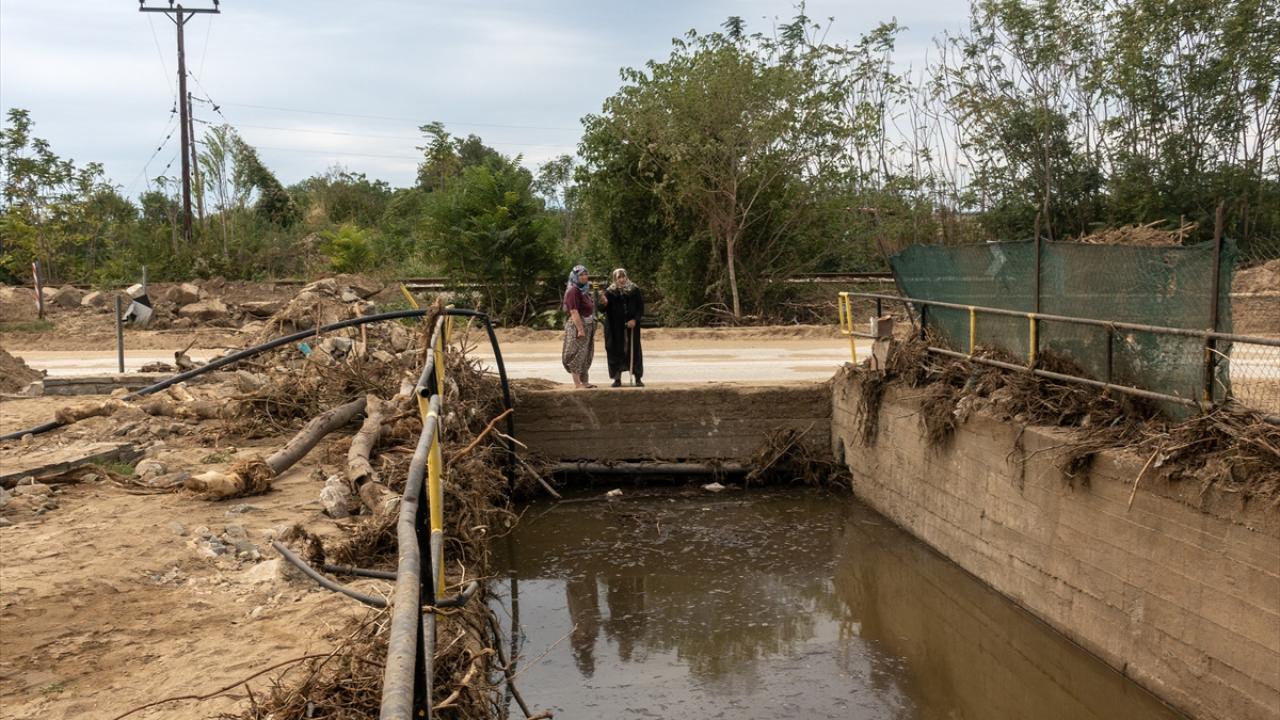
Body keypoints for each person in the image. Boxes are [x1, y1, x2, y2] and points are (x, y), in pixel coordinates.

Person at [600, 268, 644, 387]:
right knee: (614, 349)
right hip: (615, 328)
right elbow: (601, 309)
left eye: (623, 276)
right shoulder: (609, 292)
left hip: (632, 327)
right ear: (615, 279)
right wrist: (603, 303)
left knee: (634, 350)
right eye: (619, 277)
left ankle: (638, 377)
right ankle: (617, 378)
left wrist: (635, 319)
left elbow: (640, 308)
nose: (622, 279)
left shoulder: (634, 290)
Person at [561, 264, 597, 388]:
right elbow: (574, 311)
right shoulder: (573, 291)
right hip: (578, 326)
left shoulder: (584, 290)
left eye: (585, 274)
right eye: (580, 275)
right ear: (575, 276)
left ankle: (585, 381)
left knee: (586, 353)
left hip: (588, 324)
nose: (584, 277)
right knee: (577, 353)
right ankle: (577, 383)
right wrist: (580, 329)